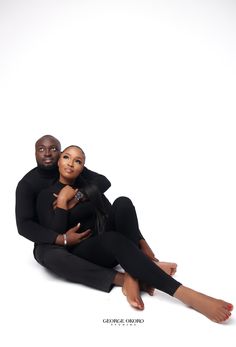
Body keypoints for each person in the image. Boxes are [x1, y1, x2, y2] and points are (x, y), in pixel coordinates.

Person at [36, 145, 233, 322]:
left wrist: (142, 241)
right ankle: (187, 295)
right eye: (66, 158)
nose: (71, 163)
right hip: (82, 251)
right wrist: (62, 201)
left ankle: (132, 274)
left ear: (83, 166)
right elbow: (55, 232)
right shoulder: (47, 193)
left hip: (109, 245)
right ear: (59, 160)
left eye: (78, 161)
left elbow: (111, 212)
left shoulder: (87, 188)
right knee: (112, 238)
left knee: (123, 202)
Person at [16, 135, 174, 293]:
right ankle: (124, 278)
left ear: (60, 154)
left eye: (54, 149)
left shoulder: (71, 168)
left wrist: (77, 196)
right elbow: (24, 226)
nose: (48, 153)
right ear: (35, 153)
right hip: (49, 240)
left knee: (111, 199)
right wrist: (61, 239)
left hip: (89, 237)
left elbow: (102, 183)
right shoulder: (27, 184)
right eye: (41, 149)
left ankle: (139, 262)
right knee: (53, 257)